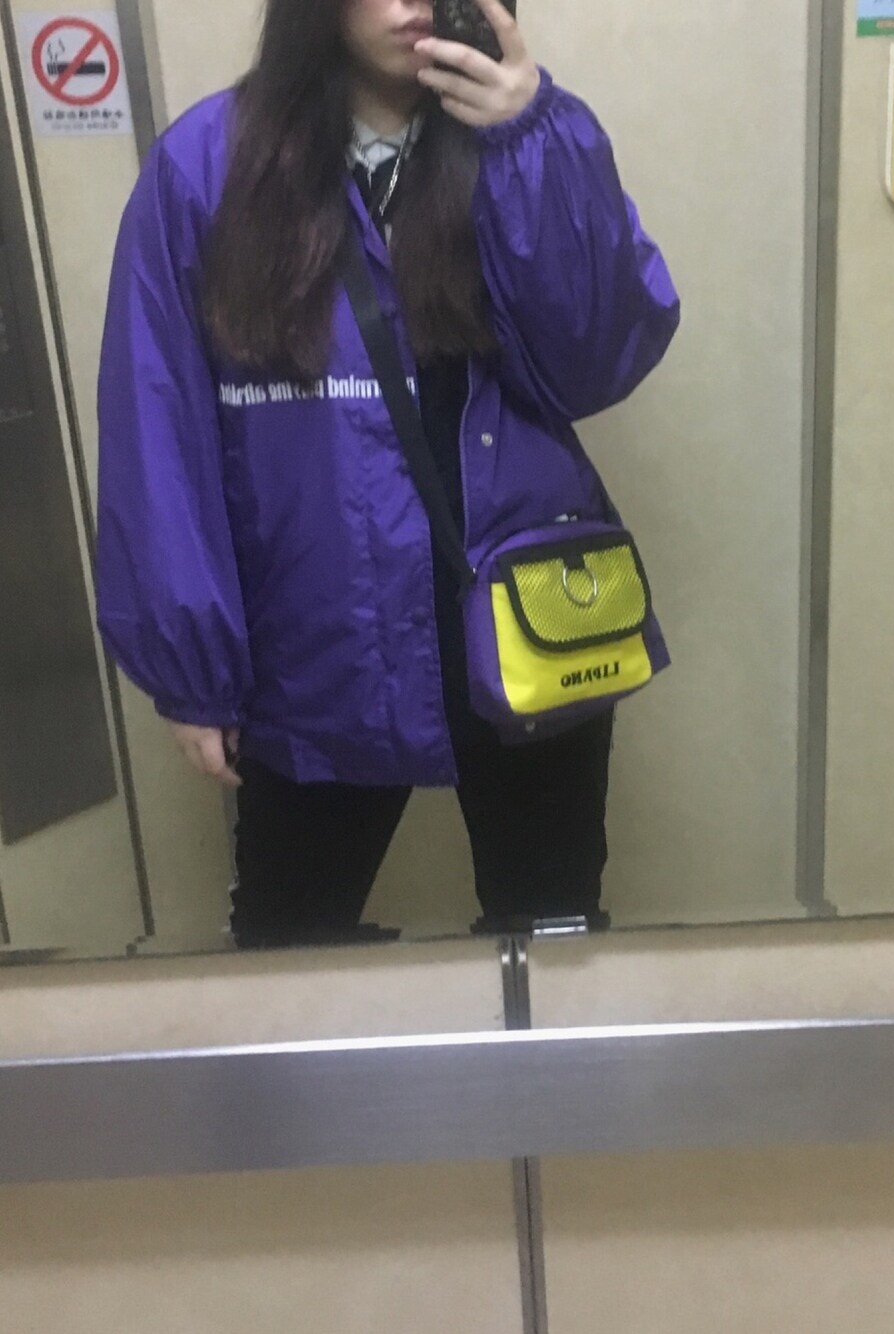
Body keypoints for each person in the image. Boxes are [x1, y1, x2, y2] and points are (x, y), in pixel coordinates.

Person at [96, 0, 680, 949]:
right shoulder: (209, 167)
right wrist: (192, 668)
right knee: (289, 942)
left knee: (551, 934)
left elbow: (598, 362)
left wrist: (529, 142)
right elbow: (157, 420)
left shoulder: (532, 135)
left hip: (526, 613)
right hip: (316, 632)